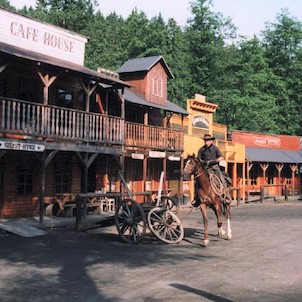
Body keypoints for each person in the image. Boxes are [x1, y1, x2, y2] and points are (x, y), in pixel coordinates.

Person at [192, 134, 231, 207]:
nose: (206, 141)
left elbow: (221, 157)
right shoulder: (201, 149)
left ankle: (227, 197)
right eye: (205, 140)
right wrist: (203, 161)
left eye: (207, 140)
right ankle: (196, 198)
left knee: (222, 179)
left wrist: (214, 160)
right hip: (205, 169)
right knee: (197, 182)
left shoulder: (215, 148)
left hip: (214, 167)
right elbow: (198, 159)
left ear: (210, 141)